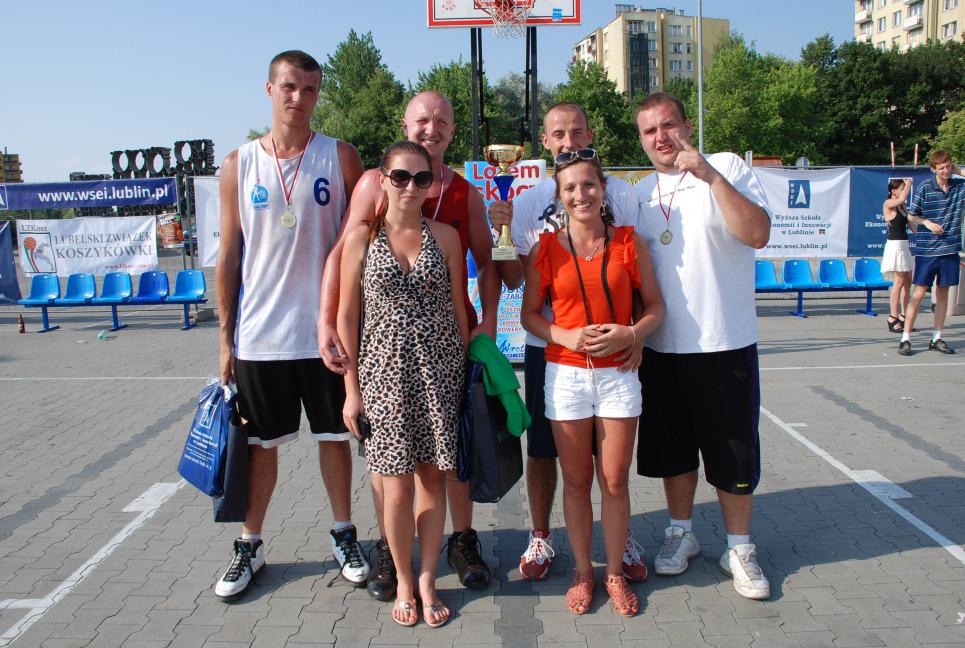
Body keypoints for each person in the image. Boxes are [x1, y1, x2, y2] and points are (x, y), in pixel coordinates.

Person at [318, 91, 498, 599]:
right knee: (392, 478)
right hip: (383, 369)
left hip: (440, 360)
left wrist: (483, 332)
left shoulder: (462, 203)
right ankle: (393, 564)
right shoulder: (369, 202)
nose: (432, 127)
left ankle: (453, 550)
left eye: (442, 120)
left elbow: (488, 265)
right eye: (423, 119)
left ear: (452, 131)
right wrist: (324, 324)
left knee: (439, 472)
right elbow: (345, 282)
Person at [213, 50, 369, 600]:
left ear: (317, 93)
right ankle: (249, 545)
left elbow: (359, 245)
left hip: (325, 335)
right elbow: (228, 255)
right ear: (269, 89)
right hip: (261, 336)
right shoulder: (238, 164)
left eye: (308, 88)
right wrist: (225, 338)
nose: (298, 97)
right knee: (261, 446)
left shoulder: (340, 156)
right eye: (288, 86)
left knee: (334, 439)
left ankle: (345, 533)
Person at [488, 102, 651, 584]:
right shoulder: (524, 199)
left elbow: (635, 275)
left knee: (611, 464)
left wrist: (637, 332)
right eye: (558, 133)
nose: (568, 140)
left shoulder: (620, 193)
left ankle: (620, 542)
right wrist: (499, 231)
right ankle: (542, 533)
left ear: (591, 132)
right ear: (544, 141)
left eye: (577, 131)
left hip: (614, 349)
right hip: (553, 352)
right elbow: (516, 278)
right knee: (543, 450)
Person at [634, 92, 772, 601]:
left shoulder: (729, 166)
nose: (661, 137)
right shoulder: (639, 192)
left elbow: (757, 233)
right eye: (650, 131)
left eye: (668, 125)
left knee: (732, 453)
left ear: (686, 125)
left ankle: (739, 546)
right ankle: (681, 532)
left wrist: (712, 176)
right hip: (662, 348)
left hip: (724, 341)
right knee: (673, 452)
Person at [521, 152, 664, 616]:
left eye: (588, 185)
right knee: (578, 481)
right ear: (559, 197)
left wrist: (633, 332)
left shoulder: (628, 241)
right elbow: (529, 315)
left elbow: (656, 308)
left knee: (615, 479)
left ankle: (616, 574)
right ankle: (585, 573)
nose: (580, 195)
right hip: (565, 376)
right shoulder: (546, 247)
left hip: (620, 374)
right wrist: (561, 334)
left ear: (603, 189)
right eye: (570, 189)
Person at [337, 140, 468, 628]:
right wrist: (351, 388)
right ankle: (405, 580)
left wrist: (476, 365)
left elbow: (458, 310)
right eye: (401, 176)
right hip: (382, 376)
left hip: (439, 373)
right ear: (382, 178)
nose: (411, 186)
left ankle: (430, 577)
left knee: (433, 482)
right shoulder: (360, 240)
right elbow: (347, 316)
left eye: (421, 178)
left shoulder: (447, 237)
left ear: (432, 183)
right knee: (395, 490)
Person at [898, 150, 963, 356]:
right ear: (933, 168)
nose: (946, 171)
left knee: (942, 294)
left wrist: (959, 171)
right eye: (942, 167)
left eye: (948, 166)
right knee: (918, 293)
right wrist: (927, 222)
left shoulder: (960, 186)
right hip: (928, 251)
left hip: (950, 250)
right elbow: (913, 216)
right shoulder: (926, 187)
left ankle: (937, 337)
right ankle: (905, 338)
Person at [881, 178, 913, 333]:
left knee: (908, 282)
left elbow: (913, 227)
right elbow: (902, 197)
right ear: (893, 190)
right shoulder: (888, 204)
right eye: (901, 187)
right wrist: (909, 183)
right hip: (895, 246)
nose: (904, 189)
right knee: (898, 282)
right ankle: (892, 317)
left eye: (904, 187)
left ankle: (904, 316)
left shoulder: (902, 207)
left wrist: (912, 217)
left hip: (905, 245)